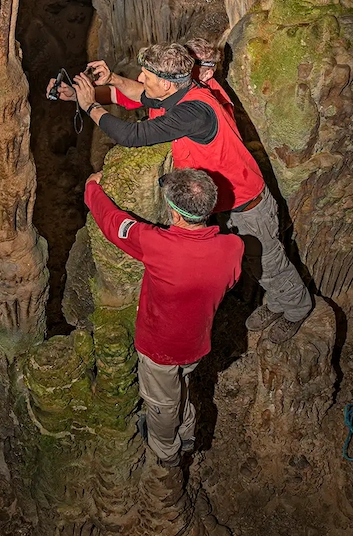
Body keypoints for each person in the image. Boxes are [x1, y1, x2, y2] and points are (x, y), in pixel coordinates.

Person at [47, 42, 312, 343]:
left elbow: (133, 135)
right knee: (256, 261)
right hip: (226, 202)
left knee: (269, 260)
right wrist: (111, 80)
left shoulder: (194, 113)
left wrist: (90, 107)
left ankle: (296, 308)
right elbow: (139, 95)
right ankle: (278, 302)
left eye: (146, 75)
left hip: (247, 203)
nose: (141, 79)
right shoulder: (179, 93)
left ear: (166, 82)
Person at [85, 167, 243, 467]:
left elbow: (113, 223)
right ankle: (187, 433)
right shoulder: (233, 248)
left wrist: (92, 189)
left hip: (160, 348)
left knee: (161, 404)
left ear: (176, 214)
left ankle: (166, 451)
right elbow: (230, 281)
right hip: (196, 343)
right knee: (182, 384)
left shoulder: (158, 245)